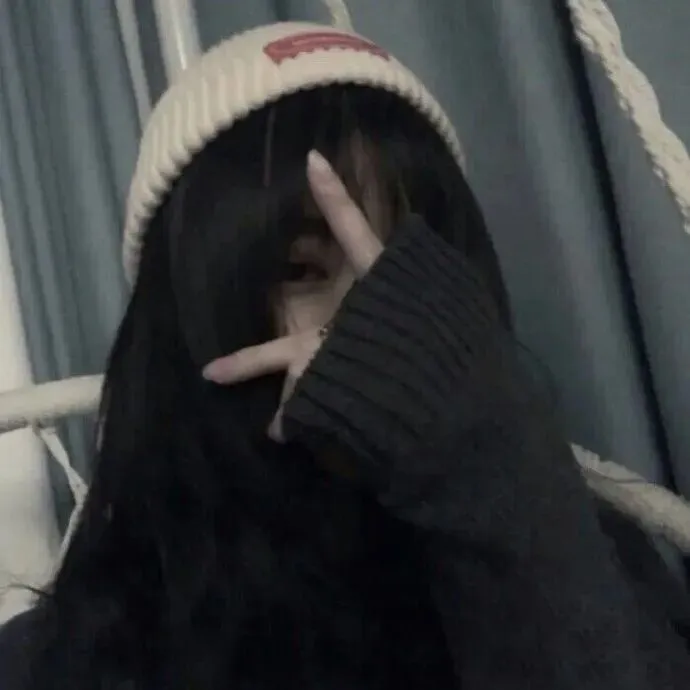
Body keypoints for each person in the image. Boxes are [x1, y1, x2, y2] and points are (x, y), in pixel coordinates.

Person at [1, 21, 690, 690]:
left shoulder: (582, 562)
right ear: (190, 320)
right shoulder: (59, 658)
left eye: (408, 284)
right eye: (301, 269)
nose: (373, 326)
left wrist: (492, 463)